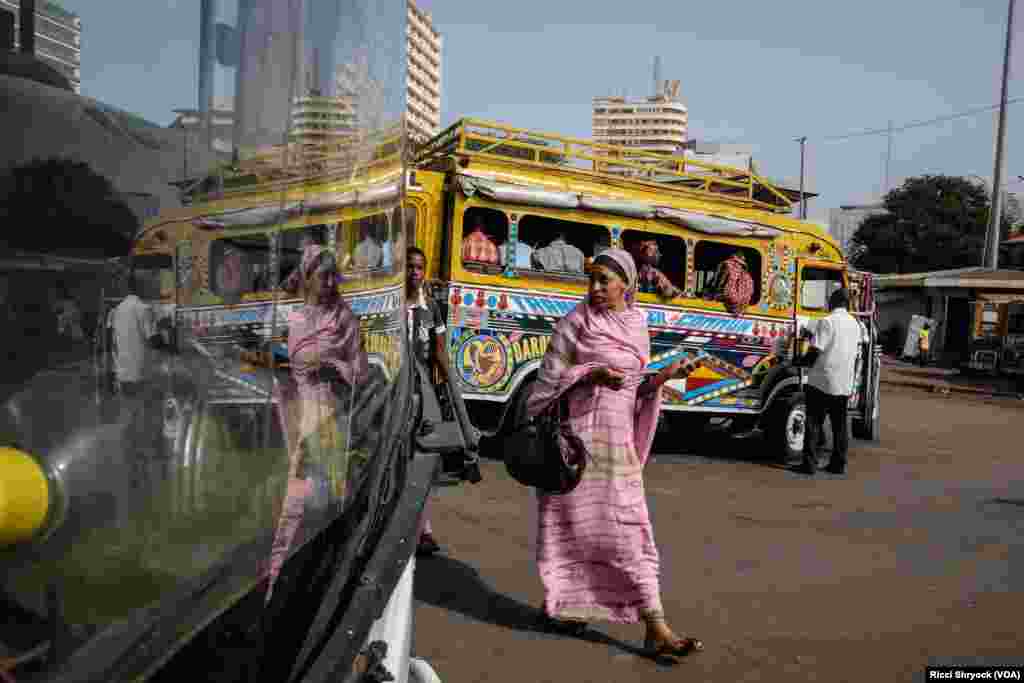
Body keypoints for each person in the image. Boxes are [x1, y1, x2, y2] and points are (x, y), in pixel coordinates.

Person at [526, 247, 705, 658]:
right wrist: (590, 374)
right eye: (591, 280)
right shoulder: (574, 323)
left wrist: (665, 374)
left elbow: (636, 390)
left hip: (617, 447)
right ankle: (570, 606)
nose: (595, 288)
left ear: (626, 283)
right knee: (577, 533)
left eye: (604, 280)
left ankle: (655, 624)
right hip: (575, 449)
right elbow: (543, 392)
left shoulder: (638, 324)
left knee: (630, 531)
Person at [266, 244, 370, 601]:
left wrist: (334, 367)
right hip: (294, 416)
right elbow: (275, 364)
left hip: (331, 417)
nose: (328, 283)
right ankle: (278, 580)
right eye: (320, 275)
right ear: (306, 278)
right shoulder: (291, 319)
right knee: (294, 504)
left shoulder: (345, 319)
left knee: (330, 502)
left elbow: (361, 374)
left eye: (332, 276)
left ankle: (329, 582)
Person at [406, 246, 451, 557]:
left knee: (425, 461)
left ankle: (423, 529)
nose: (414, 273)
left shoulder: (431, 308)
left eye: (419, 267)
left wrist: (448, 392)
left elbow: (438, 352)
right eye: (409, 267)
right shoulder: (391, 306)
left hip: (423, 394)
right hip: (395, 392)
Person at [794, 288, 864, 476]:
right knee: (840, 426)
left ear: (832, 302)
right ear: (847, 304)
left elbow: (815, 350)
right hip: (843, 383)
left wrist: (799, 362)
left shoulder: (828, 322)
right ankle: (838, 464)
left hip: (822, 381)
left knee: (813, 423)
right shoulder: (855, 324)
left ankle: (809, 464)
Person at [109, 272, 165, 487]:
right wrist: (168, 340)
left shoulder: (117, 311)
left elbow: (114, 342)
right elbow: (153, 340)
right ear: (140, 287)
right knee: (149, 414)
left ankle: (130, 459)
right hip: (143, 373)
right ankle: (150, 456)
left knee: (130, 416)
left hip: (124, 373)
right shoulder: (144, 309)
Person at [709, 251, 754, 315]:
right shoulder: (748, 276)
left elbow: (718, 284)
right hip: (741, 307)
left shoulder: (727, 265)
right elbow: (750, 291)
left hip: (727, 301)